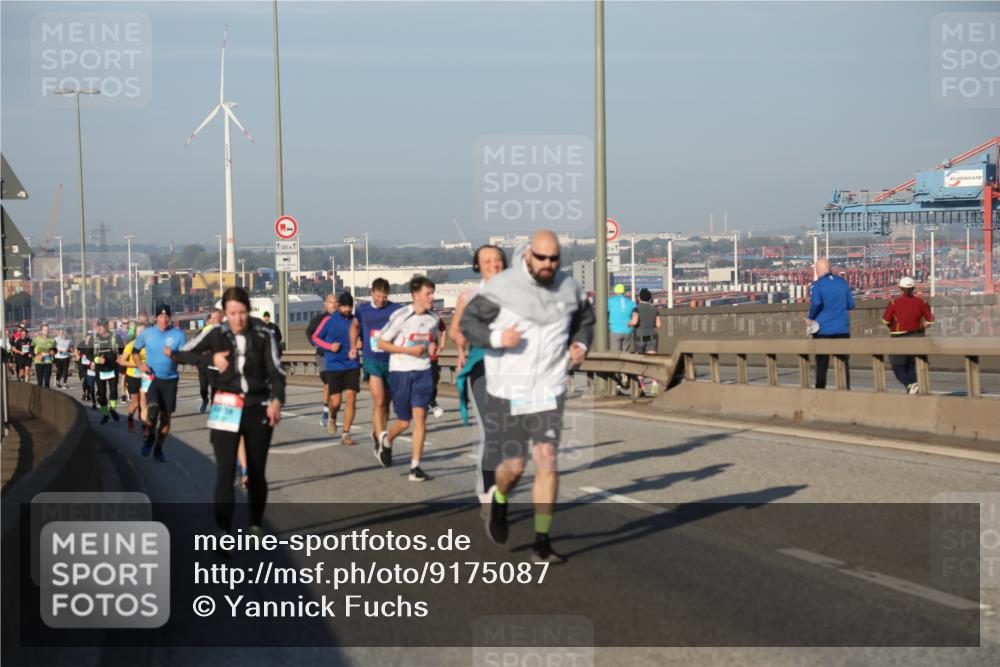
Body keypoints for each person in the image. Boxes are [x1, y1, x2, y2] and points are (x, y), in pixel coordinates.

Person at [460, 231, 594, 563]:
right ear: (529, 256)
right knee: (515, 467)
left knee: (547, 458)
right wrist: (495, 336)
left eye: (555, 259)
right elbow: (468, 324)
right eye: (542, 258)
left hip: (549, 386)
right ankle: (499, 498)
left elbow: (586, 319)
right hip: (508, 387)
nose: (549, 265)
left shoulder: (568, 287)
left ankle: (542, 541)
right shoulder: (502, 287)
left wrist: (581, 344)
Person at [171, 287, 285, 540]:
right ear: (225, 313)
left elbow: (277, 371)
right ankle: (223, 529)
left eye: (242, 312)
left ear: (248, 310)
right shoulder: (216, 334)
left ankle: (255, 524)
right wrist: (211, 358)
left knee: (256, 472)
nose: (238, 318)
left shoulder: (263, 333)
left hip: (257, 406)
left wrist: (277, 400)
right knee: (224, 472)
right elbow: (181, 354)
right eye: (232, 313)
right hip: (225, 406)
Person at [450, 244, 507, 506]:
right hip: (481, 365)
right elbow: (455, 330)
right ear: (478, 266)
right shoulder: (469, 296)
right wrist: (461, 345)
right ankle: (489, 490)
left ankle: (499, 483)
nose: (493, 264)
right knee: (493, 430)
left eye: (497, 260)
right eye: (487, 261)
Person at [376, 276, 441, 481]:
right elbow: (382, 344)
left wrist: (431, 349)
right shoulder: (401, 316)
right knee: (404, 422)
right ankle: (386, 441)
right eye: (428, 293)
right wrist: (408, 351)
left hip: (423, 371)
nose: (432, 297)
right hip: (400, 372)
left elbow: (434, 343)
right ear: (415, 295)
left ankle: (415, 467)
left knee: (420, 418)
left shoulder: (433, 319)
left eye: (433, 293)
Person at [352, 278, 401, 451]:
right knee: (379, 400)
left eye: (384, 296)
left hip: (392, 361)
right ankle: (382, 443)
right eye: (378, 296)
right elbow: (354, 326)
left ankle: (379, 433)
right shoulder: (363, 310)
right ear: (372, 292)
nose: (381, 300)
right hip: (372, 359)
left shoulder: (395, 309)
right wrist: (353, 344)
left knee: (386, 403)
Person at [133, 304, 187, 461]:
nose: (164, 319)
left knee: (166, 418)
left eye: (166, 316)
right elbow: (135, 352)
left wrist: (173, 356)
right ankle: (150, 436)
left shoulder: (178, 335)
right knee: (152, 410)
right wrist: (140, 365)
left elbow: (184, 358)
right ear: (155, 318)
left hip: (170, 380)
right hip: (153, 379)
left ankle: (158, 448)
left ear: (170, 318)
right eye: (161, 316)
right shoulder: (147, 333)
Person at [311, 292, 360, 445]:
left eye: (349, 307)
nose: (347, 309)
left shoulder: (356, 321)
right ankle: (332, 416)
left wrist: (361, 343)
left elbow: (363, 337)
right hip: (334, 365)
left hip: (352, 364)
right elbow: (315, 338)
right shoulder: (329, 320)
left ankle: (345, 434)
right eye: (344, 306)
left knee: (351, 396)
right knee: (336, 402)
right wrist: (329, 346)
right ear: (339, 306)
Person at [807, 258, 855, 390]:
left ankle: (820, 391)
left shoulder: (817, 285)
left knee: (821, 364)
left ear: (817, 271)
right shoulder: (843, 283)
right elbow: (851, 304)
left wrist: (810, 318)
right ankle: (846, 390)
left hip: (823, 330)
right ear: (831, 269)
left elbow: (816, 304)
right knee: (843, 363)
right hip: (842, 330)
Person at [882, 276, 934, 394]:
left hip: (899, 338)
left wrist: (892, 327)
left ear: (900, 288)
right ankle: (913, 386)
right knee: (912, 364)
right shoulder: (921, 302)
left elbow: (885, 320)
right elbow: (930, 320)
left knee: (897, 366)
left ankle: (909, 384)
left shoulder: (894, 302)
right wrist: (921, 326)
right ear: (913, 288)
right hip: (917, 336)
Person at [306, 295, 338, 428]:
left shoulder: (342, 319)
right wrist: (318, 345)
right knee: (329, 382)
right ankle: (326, 410)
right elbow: (309, 332)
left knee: (335, 388)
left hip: (338, 356)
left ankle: (330, 411)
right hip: (323, 356)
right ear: (325, 304)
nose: (333, 304)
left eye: (335, 302)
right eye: (330, 302)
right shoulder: (319, 319)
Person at [88, 318, 122, 424]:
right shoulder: (93, 339)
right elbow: (88, 354)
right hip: (100, 370)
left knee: (113, 391)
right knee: (101, 395)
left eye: (101, 326)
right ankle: (105, 413)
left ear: (106, 326)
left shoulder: (116, 338)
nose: (99, 328)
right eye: (97, 326)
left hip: (112, 368)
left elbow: (122, 351)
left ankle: (112, 410)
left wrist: (120, 358)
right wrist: (97, 359)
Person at [632, 288, 662, 396]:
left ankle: (642, 386)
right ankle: (654, 382)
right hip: (652, 337)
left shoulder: (636, 309)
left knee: (640, 362)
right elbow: (659, 325)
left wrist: (629, 324)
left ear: (639, 298)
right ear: (650, 298)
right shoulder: (655, 309)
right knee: (652, 361)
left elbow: (635, 321)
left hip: (640, 337)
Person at [120, 323, 147, 433]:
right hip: (132, 376)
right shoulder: (131, 345)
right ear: (136, 333)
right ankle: (130, 418)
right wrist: (137, 364)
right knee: (135, 403)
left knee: (144, 403)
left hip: (145, 377)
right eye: (140, 332)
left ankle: (144, 427)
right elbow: (122, 361)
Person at [196, 310, 224, 413]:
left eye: (215, 318)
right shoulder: (204, 331)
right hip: (205, 365)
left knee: (214, 387)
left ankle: (214, 408)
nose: (211, 321)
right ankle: (205, 400)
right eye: (211, 319)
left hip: (217, 365)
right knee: (204, 387)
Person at [608, 284, 637, 352]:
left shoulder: (610, 301)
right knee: (625, 354)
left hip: (615, 329)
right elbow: (635, 314)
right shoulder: (631, 303)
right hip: (628, 330)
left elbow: (606, 313)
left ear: (615, 291)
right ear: (624, 291)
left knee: (615, 354)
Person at [32, 324, 56, 388]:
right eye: (45, 330)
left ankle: (46, 396)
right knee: (40, 382)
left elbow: (54, 349)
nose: (46, 331)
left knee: (47, 382)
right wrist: (36, 355)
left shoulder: (52, 340)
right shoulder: (36, 339)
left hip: (48, 361)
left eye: (47, 329)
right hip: (39, 361)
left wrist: (53, 352)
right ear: (41, 331)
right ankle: (39, 396)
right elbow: (31, 349)